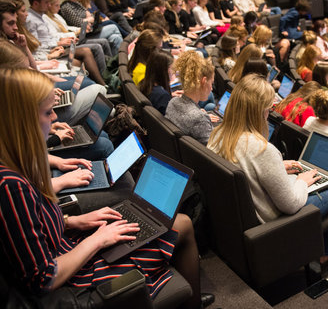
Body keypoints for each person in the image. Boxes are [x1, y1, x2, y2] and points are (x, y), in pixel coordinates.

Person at [0, 67, 212, 308]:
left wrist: (72, 221)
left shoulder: (13, 163)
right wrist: (97, 241)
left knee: (153, 223)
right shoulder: (11, 186)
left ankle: (186, 298)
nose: (55, 119)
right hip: (73, 278)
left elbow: (32, 225)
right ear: (22, 119)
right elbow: (44, 278)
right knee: (181, 223)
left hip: (66, 244)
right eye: (48, 112)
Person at [208, 74, 328, 261]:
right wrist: (301, 181)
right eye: (268, 109)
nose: (269, 113)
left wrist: (277, 167)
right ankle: (324, 255)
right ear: (260, 112)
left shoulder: (217, 134)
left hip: (238, 221)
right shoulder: (262, 149)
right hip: (273, 222)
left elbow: (245, 166)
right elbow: (291, 205)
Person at [165, 51, 217, 145]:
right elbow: (214, 148)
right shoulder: (199, 119)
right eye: (211, 83)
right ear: (203, 81)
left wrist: (202, 116)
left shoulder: (173, 102)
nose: (211, 88)